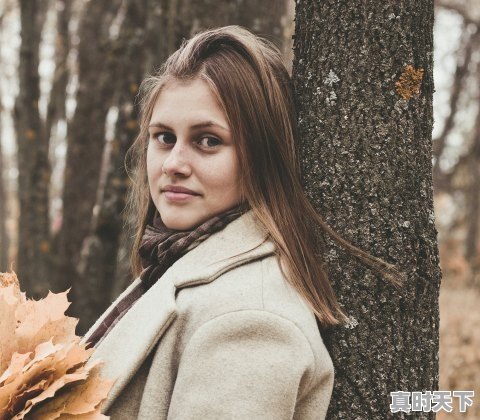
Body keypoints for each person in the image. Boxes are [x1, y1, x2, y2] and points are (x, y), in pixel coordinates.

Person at [80, 26, 400, 419]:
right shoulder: (182, 266)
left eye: (208, 141)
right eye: (164, 137)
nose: (174, 164)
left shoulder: (250, 319)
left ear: (261, 156)